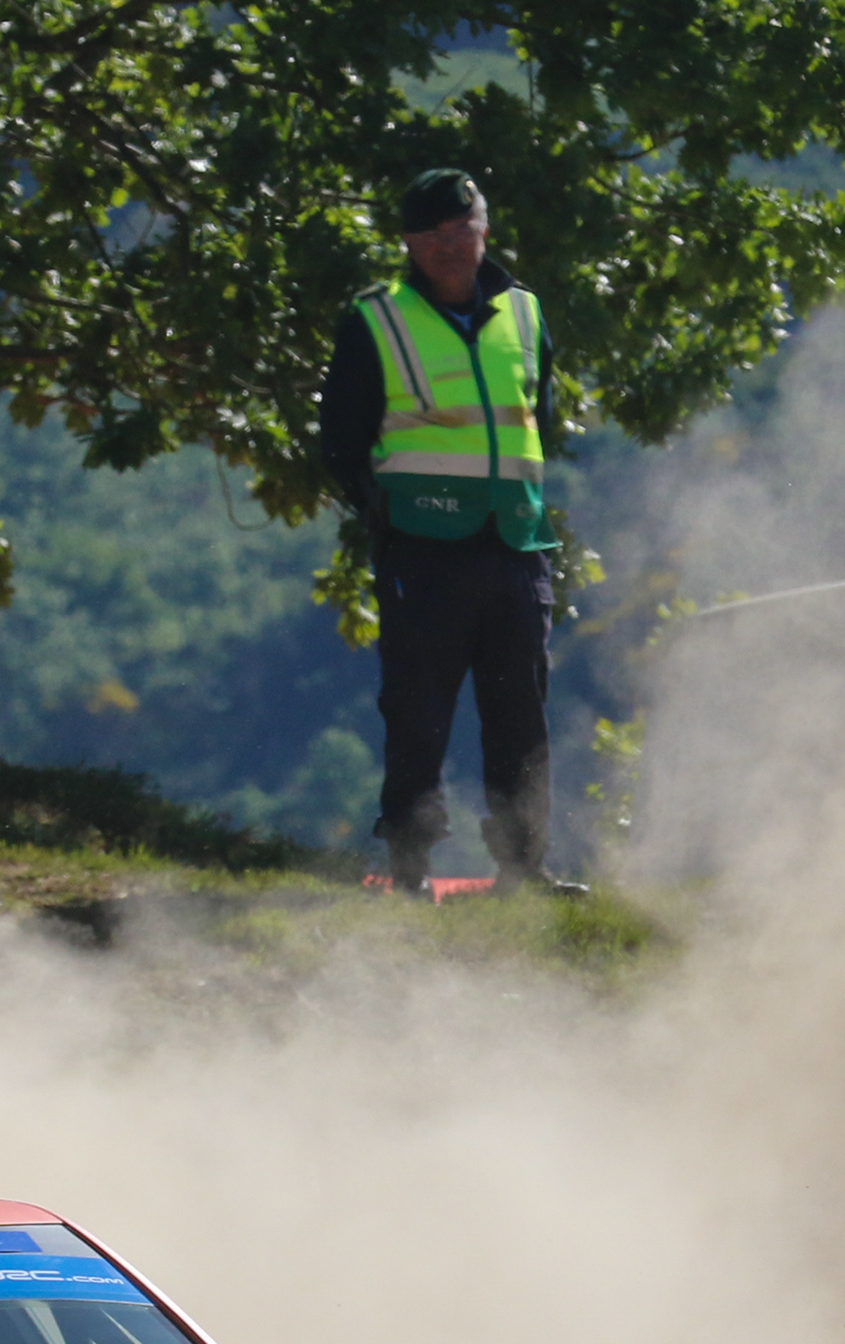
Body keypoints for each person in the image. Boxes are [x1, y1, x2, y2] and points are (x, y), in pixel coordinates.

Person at [313, 167, 562, 892]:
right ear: (409, 243)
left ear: (486, 228)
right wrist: (385, 515)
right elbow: (342, 441)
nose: (451, 245)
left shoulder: (526, 312)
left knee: (522, 714)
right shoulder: (375, 318)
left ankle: (523, 868)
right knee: (417, 715)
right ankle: (411, 867)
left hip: (516, 542)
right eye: (433, 234)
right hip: (424, 549)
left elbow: (537, 417)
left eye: (464, 228)